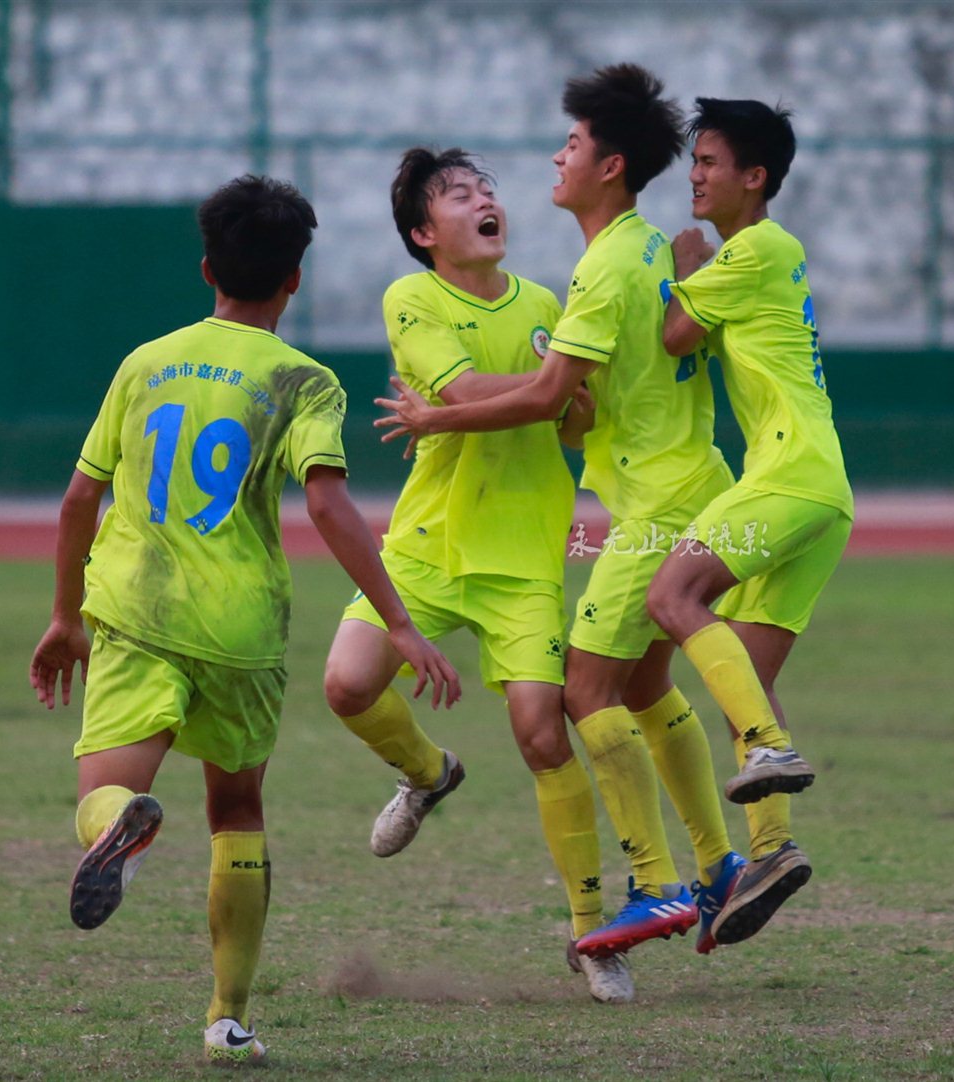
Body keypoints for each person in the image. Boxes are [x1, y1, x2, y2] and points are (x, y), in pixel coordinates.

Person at [27, 176, 460, 1063]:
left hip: (137, 609)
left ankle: (122, 822)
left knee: (99, 792)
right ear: (294, 280)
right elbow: (332, 508)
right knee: (237, 809)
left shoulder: (146, 362)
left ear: (205, 268)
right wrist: (400, 622)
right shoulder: (306, 380)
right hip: (243, 628)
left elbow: (80, 497)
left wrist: (66, 615)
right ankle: (228, 1019)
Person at [376, 65, 794, 961]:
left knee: (586, 692)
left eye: (570, 145)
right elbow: (616, 378)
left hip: (655, 503)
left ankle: (655, 881)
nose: (555, 161)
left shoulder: (602, 270)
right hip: (693, 477)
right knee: (643, 686)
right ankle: (722, 865)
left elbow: (548, 397)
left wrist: (433, 415)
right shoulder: (647, 246)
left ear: (608, 166)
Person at [319, 146, 631, 1003]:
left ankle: (593, 933)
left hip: (525, 555)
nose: (484, 201)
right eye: (459, 195)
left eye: (487, 190)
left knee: (542, 735)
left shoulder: (544, 302)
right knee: (345, 687)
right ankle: (429, 772)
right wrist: (554, 383)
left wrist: (566, 396)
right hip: (427, 544)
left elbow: (573, 421)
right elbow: (461, 394)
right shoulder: (411, 297)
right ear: (425, 232)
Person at [649, 97, 854, 947]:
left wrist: (683, 268)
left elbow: (671, 335)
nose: (693, 175)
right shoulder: (768, 254)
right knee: (746, 680)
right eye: (692, 162)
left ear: (754, 178)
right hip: (822, 489)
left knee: (672, 599)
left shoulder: (756, 247)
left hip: (787, 472)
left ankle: (771, 749)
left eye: (708, 162)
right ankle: (771, 849)